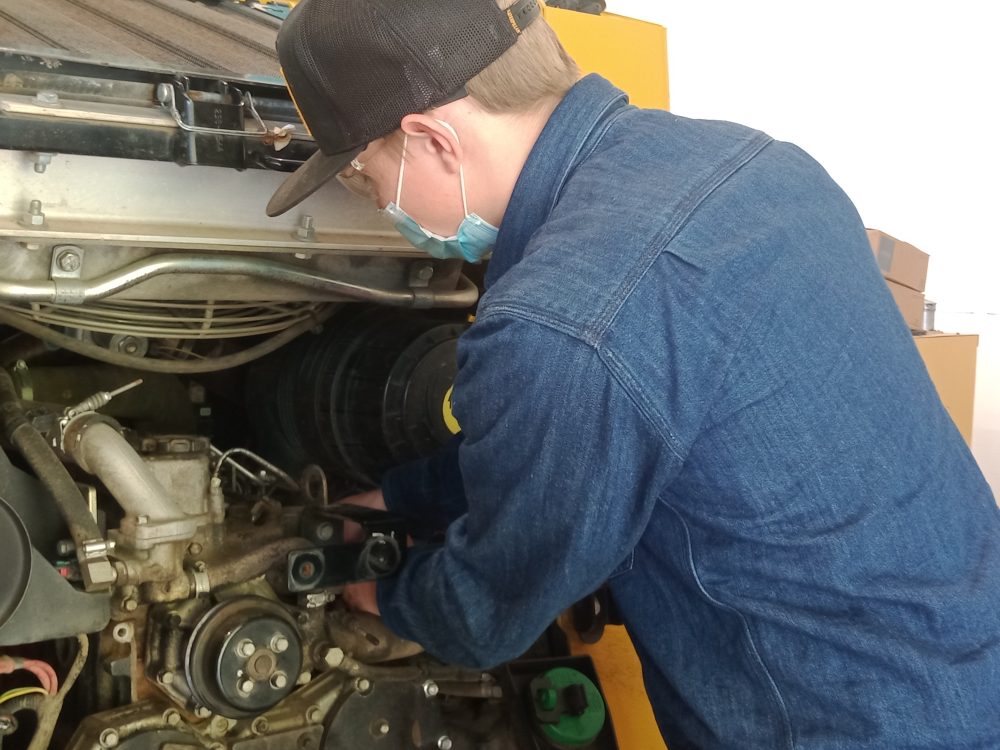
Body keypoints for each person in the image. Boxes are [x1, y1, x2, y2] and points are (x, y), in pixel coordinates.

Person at [266, 0, 1000, 746]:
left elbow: (486, 612)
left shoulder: (559, 321)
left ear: (432, 140)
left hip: (835, 724)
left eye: (365, 173)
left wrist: (377, 591)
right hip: (967, 663)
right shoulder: (761, 162)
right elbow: (598, 438)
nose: (380, 202)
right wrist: (399, 494)